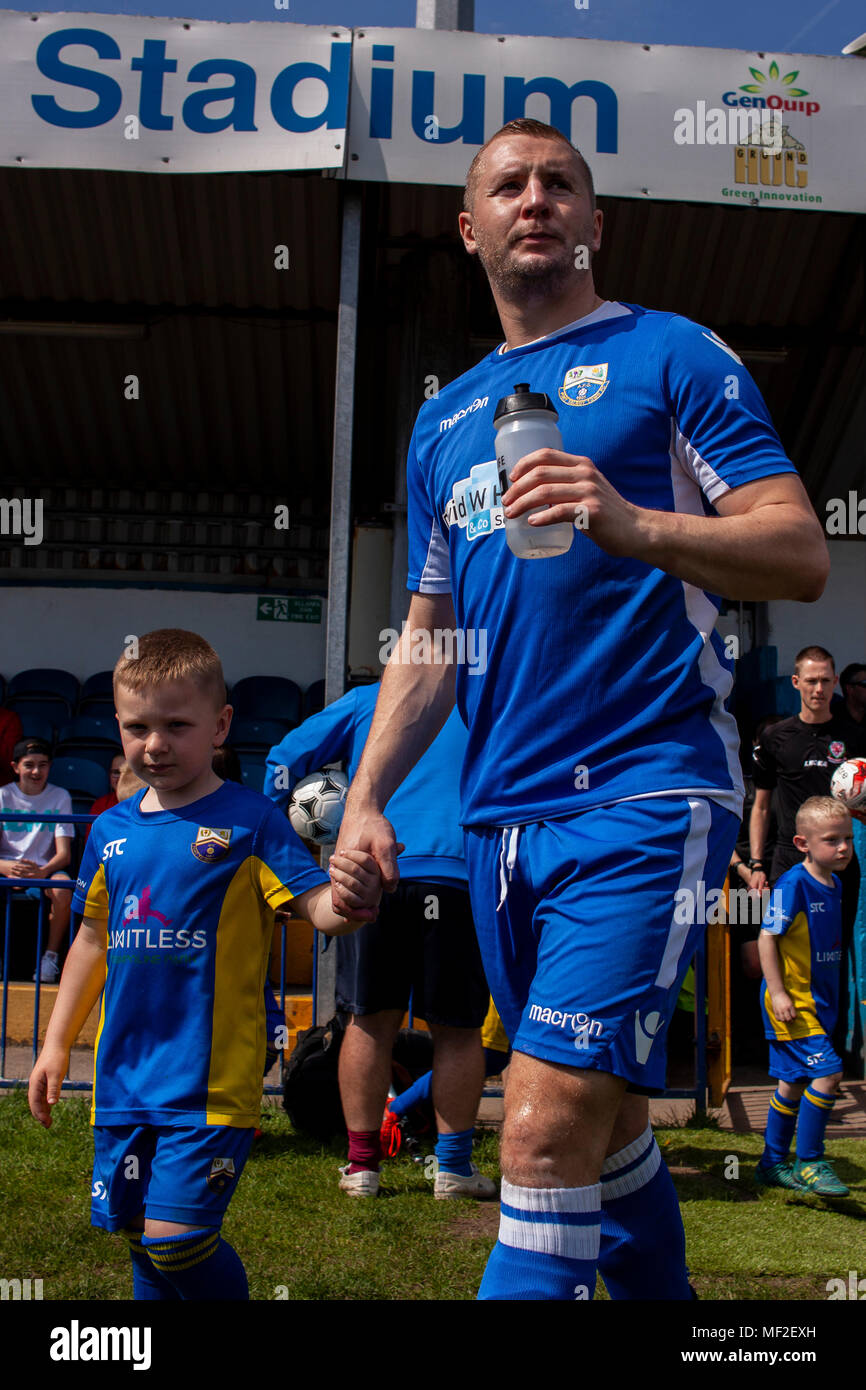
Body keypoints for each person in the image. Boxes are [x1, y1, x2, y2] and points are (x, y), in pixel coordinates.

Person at [330, 117, 829, 1301]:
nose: (535, 200)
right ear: (469, 229)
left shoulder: (673, 356)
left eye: (560, 183)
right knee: (602, 1140)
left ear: (596, 222)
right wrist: (363, 799)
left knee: (539, 1131)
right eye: (507, 186)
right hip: (503, 822)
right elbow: (429, 638)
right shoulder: (443, 419)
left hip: (644, 792)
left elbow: (800, 551)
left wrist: (632, 522)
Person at [28, 629, 381, 1301]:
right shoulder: (109, 830)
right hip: (123, 1082)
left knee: (176, 1240)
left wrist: (352, 899)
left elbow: (316, 907)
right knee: (141, 1239)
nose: (154, 744)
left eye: (175, 725)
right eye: (137, 727)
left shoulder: (251, 823)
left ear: (220, 726)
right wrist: (53, 1046)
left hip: (208, 1085)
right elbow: (91, 942)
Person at [265, 681, 495, 1199]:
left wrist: (277, 850)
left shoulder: (371, 698)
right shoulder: (488, 692)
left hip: (371, 870)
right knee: (458, 1031)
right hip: (461, 875)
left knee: (368, 1024)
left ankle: (363, 1167)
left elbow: (281, 761)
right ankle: (454, 1170)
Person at [750, 646, 864, 1063]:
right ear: (796, 683)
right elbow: (761, 806)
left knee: (834, 953)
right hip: (788, 865)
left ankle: (831, 1051)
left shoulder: (855, 737)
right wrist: (758, 864)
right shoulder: (776, 737)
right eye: (811, 680)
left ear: (836, 683)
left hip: (841, 866)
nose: (819, 688)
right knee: (778, 949)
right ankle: (785, 1051)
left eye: (826, 680)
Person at [755, 797, 853, 1196]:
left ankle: (771, 1164)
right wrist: (778, 993)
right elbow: (767, 937)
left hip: (819, 1004)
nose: (844, 847)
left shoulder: (836, 883)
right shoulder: (793, 883)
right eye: (832, 840)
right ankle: (810, 1161)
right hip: (793, 1005)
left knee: (792, 1084)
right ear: (802, 843)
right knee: (828, 1074)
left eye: (848, 838)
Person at [0, 736, 74, 982]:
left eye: (43, 764)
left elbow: (64, 855)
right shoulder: (2, 796)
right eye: (29, 764)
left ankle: (49, 959)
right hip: (6, 866)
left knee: (63, 890)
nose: (36, 771)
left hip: (45, 868)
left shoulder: (60, 796)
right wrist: (7, 866)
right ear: (15, 767)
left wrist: (42, 872)